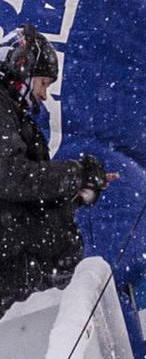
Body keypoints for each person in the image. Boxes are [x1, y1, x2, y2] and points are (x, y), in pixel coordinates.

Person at [0, 28, 105, 310]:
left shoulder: (14, 114)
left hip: (18, 265)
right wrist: (74, 174)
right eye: (43, 83)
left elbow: (27, 193)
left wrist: (77, 193)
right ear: (22, 69)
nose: (44, 95)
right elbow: (10, 176)